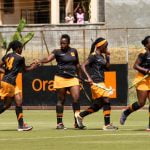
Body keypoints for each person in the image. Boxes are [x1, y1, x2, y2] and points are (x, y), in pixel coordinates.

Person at [35, 34, 81, 129]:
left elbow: (77, 65)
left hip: (73, 78)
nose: (62, 44)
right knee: (61, 100)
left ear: (68, 43)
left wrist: (80, 78)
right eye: (61, 43)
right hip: (60, 78)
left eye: (64, 43)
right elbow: (48, 59)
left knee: (76, 99)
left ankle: (77, 122)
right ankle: (59, 123)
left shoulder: (74, 51)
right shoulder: (57, 52)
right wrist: (40, 60)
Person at [75, 37, 118, 130]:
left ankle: (80, 115)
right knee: (106, 99)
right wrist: (89, 77)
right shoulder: (93, 55)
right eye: (105, 46)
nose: (106, 48)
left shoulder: (101, 56)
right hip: (96, 82)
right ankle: (107, 125)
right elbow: (83, 65)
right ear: (100, 46)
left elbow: (107, 68)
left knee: (98, 106)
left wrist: (108, 57)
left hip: (101, 81)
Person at [0, 40, 38, 131]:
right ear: (18, 49)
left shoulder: (7, 56)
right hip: (9, 83)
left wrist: (4, 71)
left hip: (8, 82)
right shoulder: (20, 58)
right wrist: (34, 66)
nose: (22, 50)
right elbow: (25, 70)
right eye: (21, 48)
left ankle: (21, 125)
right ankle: (21, 125)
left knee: (15, 103)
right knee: (5, 104)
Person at [120, 36, 150, 128]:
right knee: (141, 103)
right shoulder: (143, 54)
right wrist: (146, 71)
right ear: (146, 45)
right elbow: (135, 66)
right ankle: (126, 112)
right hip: (142, 79)